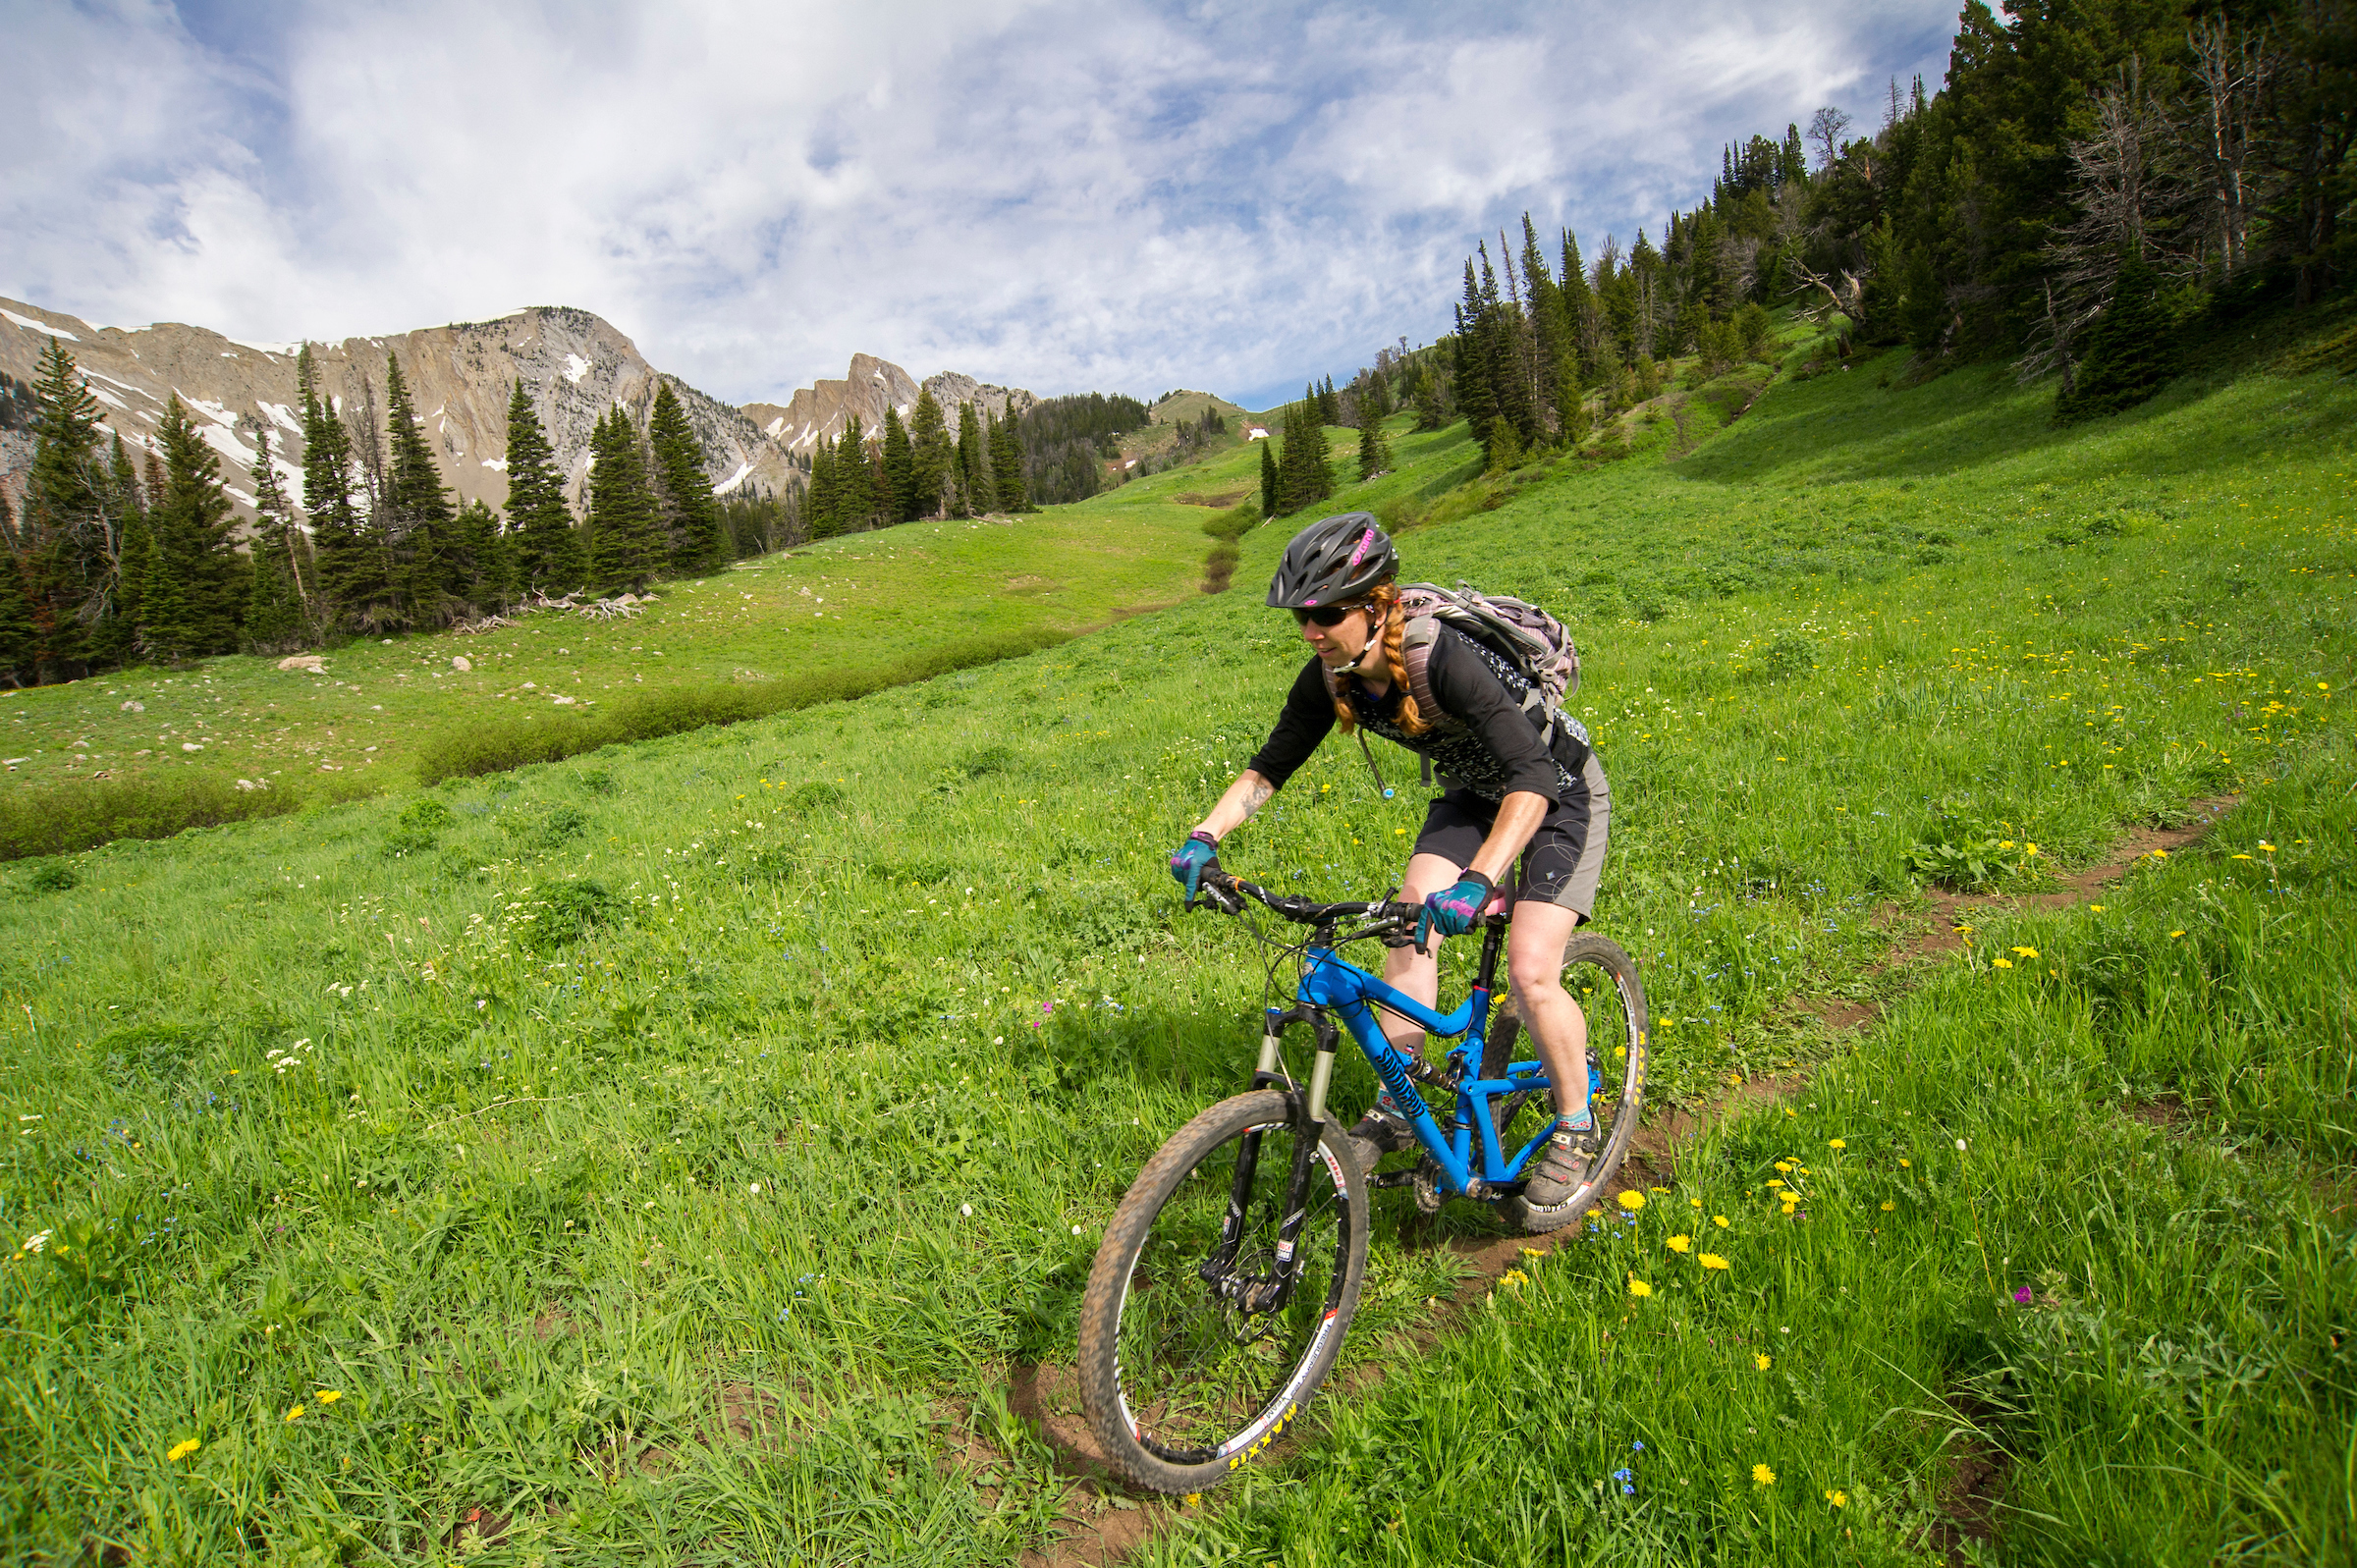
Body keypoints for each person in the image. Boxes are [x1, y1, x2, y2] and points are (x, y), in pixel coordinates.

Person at [1168, 513, 1612, 1206]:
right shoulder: (1332, 676)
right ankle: (1402, 1099)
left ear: (1376, 605)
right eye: (1300, 619)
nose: (1311, 631)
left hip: (1555, 791)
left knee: (1530, 969)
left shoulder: (1443, 660)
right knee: (1409, 918)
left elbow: (1531, 777)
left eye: (1326, 613)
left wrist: (1478, 879)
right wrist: (1206, 835)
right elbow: (1270, 767)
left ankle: (1577, 1122)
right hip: (1474, 791)